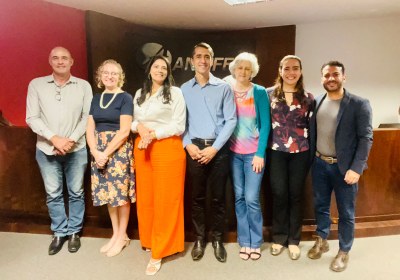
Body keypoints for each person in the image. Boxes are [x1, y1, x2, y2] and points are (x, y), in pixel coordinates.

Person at [26, 46, 92, 255]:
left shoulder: (83, 86)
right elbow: (32, 117)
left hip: (77, 148)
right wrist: (54, 139)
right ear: (50, 61)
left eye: (65, 58)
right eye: (56, 58)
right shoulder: (36, 85)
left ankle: (74, 232)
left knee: (76, 192)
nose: (60, 61)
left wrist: (70, 140)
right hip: (46, 149)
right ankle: (59, 232)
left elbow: (87, 117)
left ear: (72, 61)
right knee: (53, 193)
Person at [307, 61, 373, 272]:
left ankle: (344, 250)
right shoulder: (316, 101)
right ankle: (322, 239)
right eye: (326, 75)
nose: (331, 79)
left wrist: (357, 168)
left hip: (345, 168)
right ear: (322, 79)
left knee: (346, 212)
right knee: (321, 206)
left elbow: (365, 138)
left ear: (344, 77)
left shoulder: (359, 104)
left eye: (335, 74)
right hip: (319, 164)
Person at [181, 42, 237, 263]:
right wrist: (187, 144)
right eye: (198, 56)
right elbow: (180, 121)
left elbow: (231, 120)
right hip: (194, 149)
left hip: (218, 150)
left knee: (218, 198)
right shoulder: (184, 89)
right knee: (196, 198)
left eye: (207, 56)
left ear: (212, 60)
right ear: (192, 60)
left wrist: (214, 148)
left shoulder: (223, 87)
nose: (203, 60)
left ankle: (216, 239)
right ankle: (199, 238)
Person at [131, 55, 186, 275]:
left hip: (167, 147)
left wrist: (152, 133)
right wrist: (141, 129)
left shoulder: (175, 93)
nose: (160, 70)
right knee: (146, 199)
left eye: (164, 67)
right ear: (149, 70)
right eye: (156, 66)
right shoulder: (139, 93)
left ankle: (161, 250)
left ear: (168, 72)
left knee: (166, 200)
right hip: (143, 147)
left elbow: (179, 125)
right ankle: (151, 239)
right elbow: (133, 120)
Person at [86, 59, 135, 257]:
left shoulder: (125, 98)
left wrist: (105, 153)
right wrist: (95, 152)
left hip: (118, 151)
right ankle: (115, 234)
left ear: (120, 76)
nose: (110, 76)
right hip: (98, 151)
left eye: (114, 73)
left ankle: (123, 236)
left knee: (120, 196)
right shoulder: (96, 98)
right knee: (107, 194)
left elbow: (124, 131)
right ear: (100, 76)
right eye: (106, 72)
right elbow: (90, 128)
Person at [267, 55, 314, 260]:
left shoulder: (308, 98)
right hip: (276, 151)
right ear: (280, 70)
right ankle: (278, 237)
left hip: (300, 153)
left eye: (295, 68)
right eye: (286, 68)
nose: (291, 72)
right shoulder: (269, 95)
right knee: (279, 194)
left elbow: (312, 128)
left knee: (295, 195)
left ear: (301, 71)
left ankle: (294, 240)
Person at [228, 52, 270, 260]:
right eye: (240, 67)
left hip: (253, 154)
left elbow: (265, 126)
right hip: (233, 154)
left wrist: (260, 153)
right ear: (234, 69)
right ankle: (244, 241)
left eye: (247, 68)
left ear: (252, 71)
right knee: (239, 198)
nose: (243, 71)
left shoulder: (259, 92)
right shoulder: (227, 90)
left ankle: (256, 241)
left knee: (252, 198)